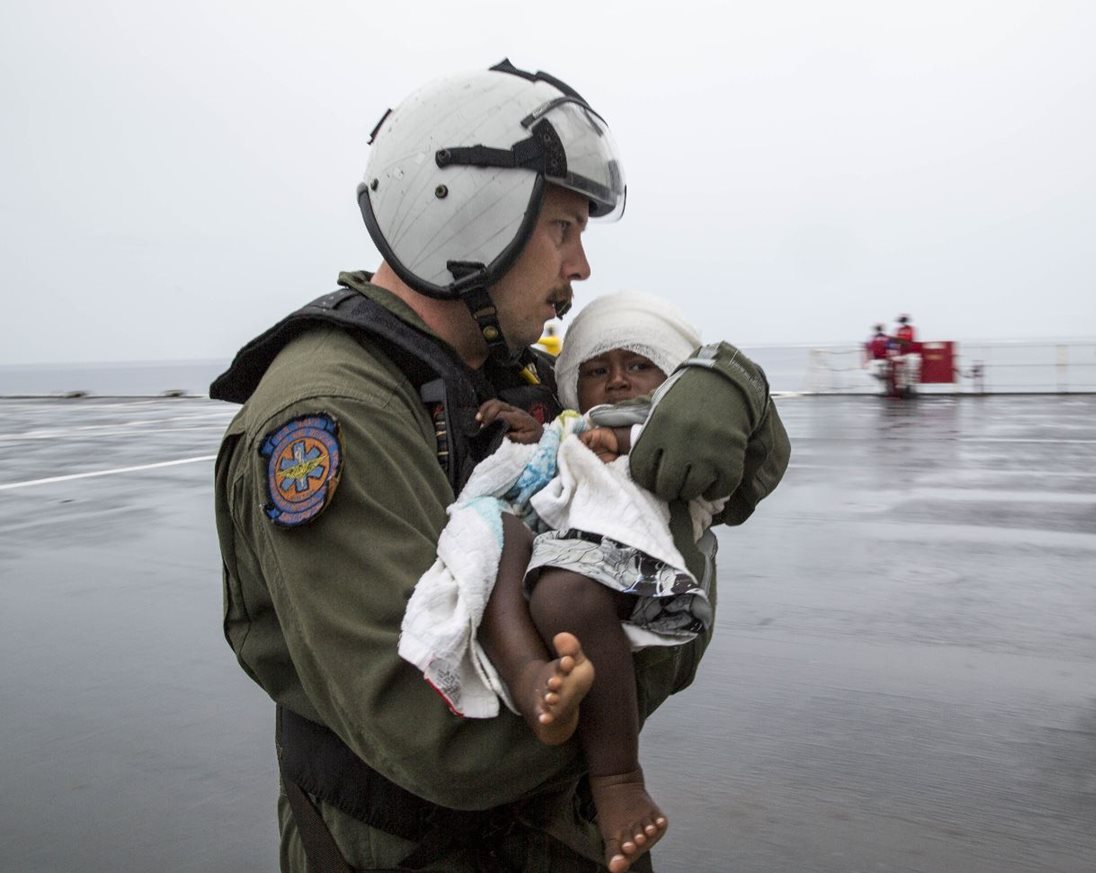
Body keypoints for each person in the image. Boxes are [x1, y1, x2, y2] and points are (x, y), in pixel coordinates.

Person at [209, 60, 791, 873]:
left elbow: (714, 472)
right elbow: (453, 741)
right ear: (470, 220)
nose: (581, 267)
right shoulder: (332, 415)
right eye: (563, 229)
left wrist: (733, 395)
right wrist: (666, 582)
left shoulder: (500, 373)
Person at [400, 293, 726, 873]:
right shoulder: (578, 421)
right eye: (598, 371)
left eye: (638, 366)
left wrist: (622, 443)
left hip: (615, 551)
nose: (618, 381)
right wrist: (540, 434)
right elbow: (555, 452)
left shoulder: (681, 424)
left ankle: (619, 778)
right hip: (553, 534)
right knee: (492, 538)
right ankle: (529, 675)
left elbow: (699, 460)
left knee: (562, 594)